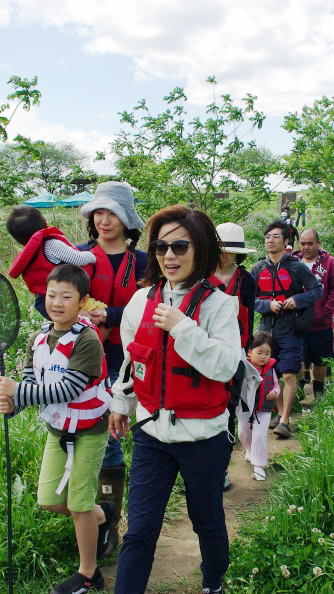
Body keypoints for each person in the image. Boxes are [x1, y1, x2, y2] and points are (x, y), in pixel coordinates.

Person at [109, 205, 241, 594]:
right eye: (161, 247)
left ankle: (213, 583)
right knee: (140, 530)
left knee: (207, 521)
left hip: (204, 438)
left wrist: (183, 327)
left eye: (180, 246)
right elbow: (133, 361)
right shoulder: (140, 301)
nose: (169, 256)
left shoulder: (219, 305)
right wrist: (121, 405)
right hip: (153, 433)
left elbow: (226, 365)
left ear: (199, 250)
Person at [33, 181, 148, 557]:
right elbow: (45, 297)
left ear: (127, 219)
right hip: (80, 360)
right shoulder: (77, 256)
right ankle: (94, 516)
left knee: (111, 442)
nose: (104, 219)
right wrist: (74, 317)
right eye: (98, 212)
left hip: (125, 360)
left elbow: (152, 306)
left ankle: (108, 523)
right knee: (74, 433)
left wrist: (109, 315)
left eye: (112, 212)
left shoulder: (143, 262)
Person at [0, 264, 114, 594]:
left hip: (90, 429)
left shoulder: (87, 339)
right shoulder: (38, 338)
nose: (57, 302)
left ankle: (89, 573)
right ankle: (101, 515)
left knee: (77, 506)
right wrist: (14, 404)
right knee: (48, 500)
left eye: (66, 296)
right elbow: (34, 381)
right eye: (51, 295)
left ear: (82, 301)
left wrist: (17, 391)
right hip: (59, 430)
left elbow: (67, 390)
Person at [250, 221, 322, 439]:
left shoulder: (297, 267)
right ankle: (281, 413)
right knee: (271, 374)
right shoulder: (258, 268)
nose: (270, 240)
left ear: (286, 241)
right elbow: (249, 299)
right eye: (267, 237)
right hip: (266, 330)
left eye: (275, 237)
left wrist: (296, 300)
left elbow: (316, 290)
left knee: (289, 373)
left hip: (291, 328)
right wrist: (266, 305)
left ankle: (284, 420)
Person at [209, 222, 258, 492]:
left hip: (234, 352)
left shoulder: (246, 280)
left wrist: (247, 351)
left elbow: (249, 319)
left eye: (229, 251)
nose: (224, 255)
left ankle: (222, 470)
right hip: (203, 349)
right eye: (220, 249)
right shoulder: (201, 274)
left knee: (227, 408)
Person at [293, 228, 334, 398]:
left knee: (320, 360)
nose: (305, 247)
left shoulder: (331, 263)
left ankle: (319, 390)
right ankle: (299, 392)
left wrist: (323, 312)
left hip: (320, 323)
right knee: (298, 359)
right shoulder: (293, 262)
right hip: (297, 321)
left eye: (310, 243)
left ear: (318, 243)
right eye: (302, 243)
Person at [6, 205, 96, 295]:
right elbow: (78, 259)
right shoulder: (51, 245)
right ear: (46, 224)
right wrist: (93, 256)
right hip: (68, 295)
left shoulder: (28, 255)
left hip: (49, 298)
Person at [237, 332, 280, 481]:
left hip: (264, 409)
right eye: (259, 352)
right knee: (243, 433)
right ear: (249, 352)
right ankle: (249, 449)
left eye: (267, 353)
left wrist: (275, 392)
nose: (263, 357)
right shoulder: (244, 367)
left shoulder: (270, 369)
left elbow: (276, 386)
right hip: (245, 408)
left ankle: (259, 467)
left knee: (259, 436)